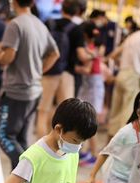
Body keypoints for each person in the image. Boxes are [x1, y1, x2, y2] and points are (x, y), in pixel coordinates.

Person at [0, 0, 59, 169]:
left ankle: (25, 170)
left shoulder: (15, 25)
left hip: (16, 90)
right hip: (34, 90)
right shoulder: (39, 24)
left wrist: (0, 56)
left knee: (5, 136)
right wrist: (38, 71)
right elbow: (54, 53)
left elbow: (8, 56)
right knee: (22, 138)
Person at [35, 0, 86, 139]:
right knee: (66, 114)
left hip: (49, 70)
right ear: (76, 12)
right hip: (67, 74)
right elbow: (81, 54)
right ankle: (61, 147)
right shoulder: (77, 29)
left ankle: (41, 147)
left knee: (43, 112)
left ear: (61, 8)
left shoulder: (49, 23)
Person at [106, 12, 140, 143]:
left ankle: (110, 140)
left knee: (116, 110)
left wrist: (122, 63)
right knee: (127, 111)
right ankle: (121, 142)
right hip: (134, 76)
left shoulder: (131, 37)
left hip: (122, 74)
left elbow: (113, 55)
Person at [77, 21, 105, 161]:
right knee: (88, 118)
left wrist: (75, 68)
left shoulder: (88, 48)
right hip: (95, 83)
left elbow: (87, 69)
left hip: (91, 84)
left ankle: (94, 154)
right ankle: (88, 151)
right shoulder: (97, 47)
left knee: (89, 119)